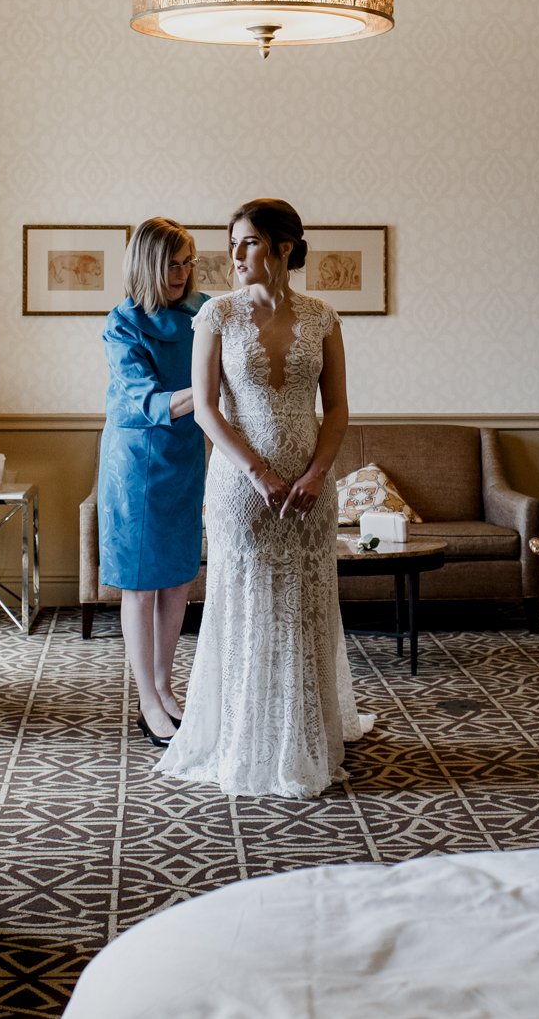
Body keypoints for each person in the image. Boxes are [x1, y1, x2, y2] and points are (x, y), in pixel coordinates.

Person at [156, 199, 374, 798]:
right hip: (238, 490)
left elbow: (338, 410)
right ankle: (245, 738)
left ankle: (307, 735)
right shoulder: (217, 317)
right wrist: (257, 473)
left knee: (305, 605)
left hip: (310, 490)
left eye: (248, 242)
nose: (234, 255)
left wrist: (317, 474)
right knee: (247, 605)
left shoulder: (324, 318)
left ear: (283, 247)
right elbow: (204, 407)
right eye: (232, 242)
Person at [97, 218, 209, 747]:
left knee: (179, 580)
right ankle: (146, 700)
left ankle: (166, 688)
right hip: (137, 464)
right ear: (147, 264)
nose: (183, 274)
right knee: (142, 586)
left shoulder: (203, 311)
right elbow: (144, 399)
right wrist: (207, 392)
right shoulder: (122, 324)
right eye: (172, 263)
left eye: (188, 263)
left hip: (185, 457)